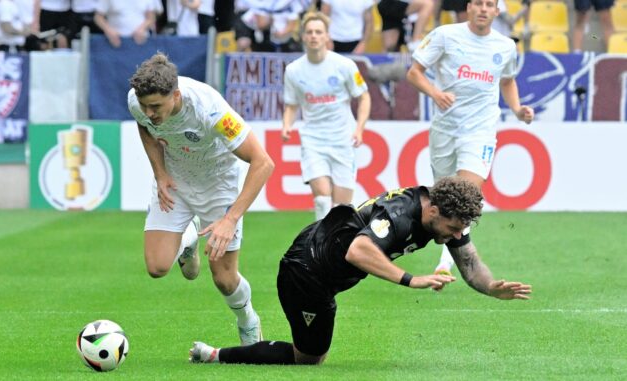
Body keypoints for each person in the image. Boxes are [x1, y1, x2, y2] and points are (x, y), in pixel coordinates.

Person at [188, 176, 533, 365]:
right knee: (309, 358)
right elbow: (359, 250)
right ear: (434, 211)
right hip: (306, 271)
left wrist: (490, 287)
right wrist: (410, 280)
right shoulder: (400, 214)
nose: (458, 235)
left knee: (311, 355)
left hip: (324, 272)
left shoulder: (447, 215)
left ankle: (217, 355)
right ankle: (215, 356)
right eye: (455, 227)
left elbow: (470, 263)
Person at [127, 53, 275, 345]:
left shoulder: (210, 109)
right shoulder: (138, 102)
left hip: (217, 185)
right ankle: (189, 239)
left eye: (155, 106)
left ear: (176, 95)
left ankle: (248, 320)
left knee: (224, 278)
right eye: (145, 106)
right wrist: (160, 173)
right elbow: (144, 127)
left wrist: (230, 218)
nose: (149, 112)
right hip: (175, 180)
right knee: (157, 267)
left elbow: (263, 163)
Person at [406, 0, 534, 277]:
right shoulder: (445, 35)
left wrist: (517, 108)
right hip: (445, 129)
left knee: (466, 194)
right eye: (478, 3)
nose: (483, 9)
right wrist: (435, 93)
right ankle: (436, 246)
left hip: (480, 131)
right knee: (442, 196)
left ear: (497, 11)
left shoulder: (505, 45)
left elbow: (508, 80)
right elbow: (414, 72)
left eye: (490, 4)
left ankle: (447, 259)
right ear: (469, 7)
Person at [281, 11, 371, 221]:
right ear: (303, 36)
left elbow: (364, 97)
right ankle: (321, 246)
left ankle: (338, 248)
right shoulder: (294, 70)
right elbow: (292, 105)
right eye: (309, 32)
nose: (314, 36)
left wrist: (359, 128)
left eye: (318, 32)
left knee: (342, 207)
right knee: (322, 198)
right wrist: (287, 125)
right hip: (313, 139)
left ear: (327, 36)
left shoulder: (344, 65)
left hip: (343, 138)